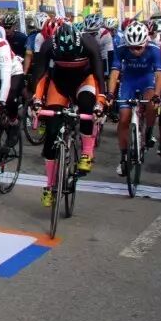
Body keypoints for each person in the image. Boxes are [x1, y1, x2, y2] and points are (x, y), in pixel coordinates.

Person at [31, 22, 105, 204]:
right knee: (51, 132)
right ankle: (49, 186)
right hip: (60, 83)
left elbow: (98, 75)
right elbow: (40, 75)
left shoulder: (89, 43)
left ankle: (87, 152)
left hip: (84, 80)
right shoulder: (48, 45)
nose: (69, 57)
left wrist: (100, 102)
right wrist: (37, 101)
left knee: (87, 105)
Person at [108, 21, 161, 177]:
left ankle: (149, 131)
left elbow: (159, 75)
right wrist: (110, 93)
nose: (135, 51)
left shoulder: (154, 49)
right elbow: (115, 72)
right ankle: (124, 157)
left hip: (147, 80)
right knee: (124, 118)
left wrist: (157, 95)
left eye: (139, 47)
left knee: (151, 104)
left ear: (146, 42)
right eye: (132, 48)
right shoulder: (121, 49)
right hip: (129, 82)